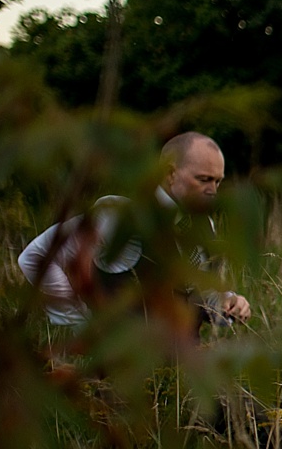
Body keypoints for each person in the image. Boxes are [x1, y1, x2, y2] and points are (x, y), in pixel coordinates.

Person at [18, 132, 252, 331]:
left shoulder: (204, 225)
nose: (212, 191)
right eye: (204, 180)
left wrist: (229, 303)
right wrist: (77, 323)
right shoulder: (123, 215)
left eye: (218, 182)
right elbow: (36, 255)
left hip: (179, 374)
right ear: (170, 173)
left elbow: (198, 294)